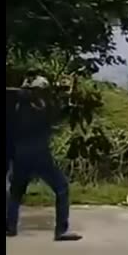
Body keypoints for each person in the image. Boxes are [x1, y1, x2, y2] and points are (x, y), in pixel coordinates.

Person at [6, 77, 82, 241]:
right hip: (40, 155)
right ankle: (61, 230)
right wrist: (66, 97)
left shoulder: (16, 108)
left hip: (20, 155)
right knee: (62, 188)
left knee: (16, 193)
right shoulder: (42, 107)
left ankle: (10, 227)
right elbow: (56, 115)